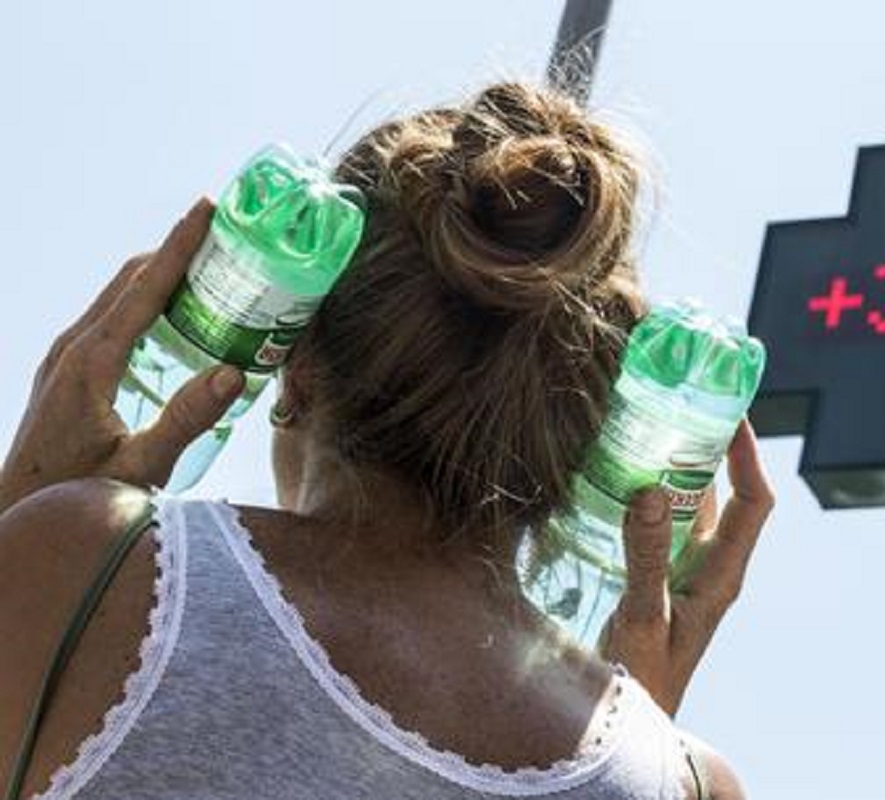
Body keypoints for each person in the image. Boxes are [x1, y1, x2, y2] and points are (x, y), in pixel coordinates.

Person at [0, 82, 775, 799]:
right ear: (590, 428)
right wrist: (639, 737)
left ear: (296, 360)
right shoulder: (688, 780)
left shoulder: (87, 565)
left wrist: (27, 509)